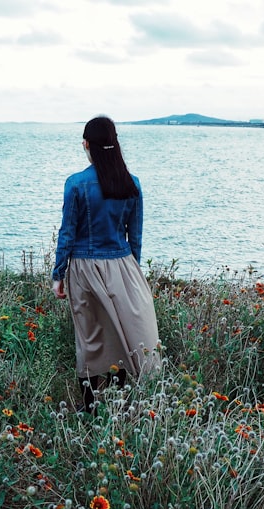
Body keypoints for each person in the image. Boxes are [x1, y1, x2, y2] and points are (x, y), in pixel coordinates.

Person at [51, 115, 161, 414]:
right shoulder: (131, 183)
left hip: (85, 267)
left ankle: (89, 408)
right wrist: (133, 274)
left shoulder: (76, 184)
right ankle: (119, 403)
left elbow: (67, 233)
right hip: (123, 265)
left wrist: (58, 274)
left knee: (91, 336)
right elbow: (134, 236)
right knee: (121, 333)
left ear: (87, 145)